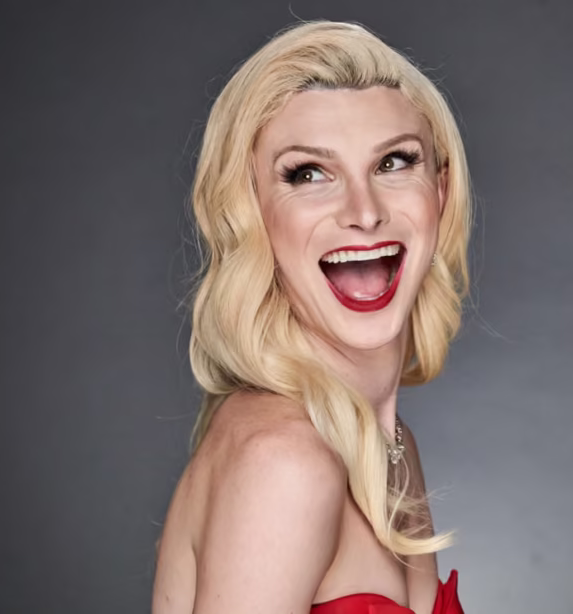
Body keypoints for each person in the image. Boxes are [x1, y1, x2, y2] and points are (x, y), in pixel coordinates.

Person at [152, 20, 471, 614]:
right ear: (251, 211)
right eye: (308, 174)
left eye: (394, 162)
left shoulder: (392, 445)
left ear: (441, 192)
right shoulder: (285, 461)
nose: (364, 212)